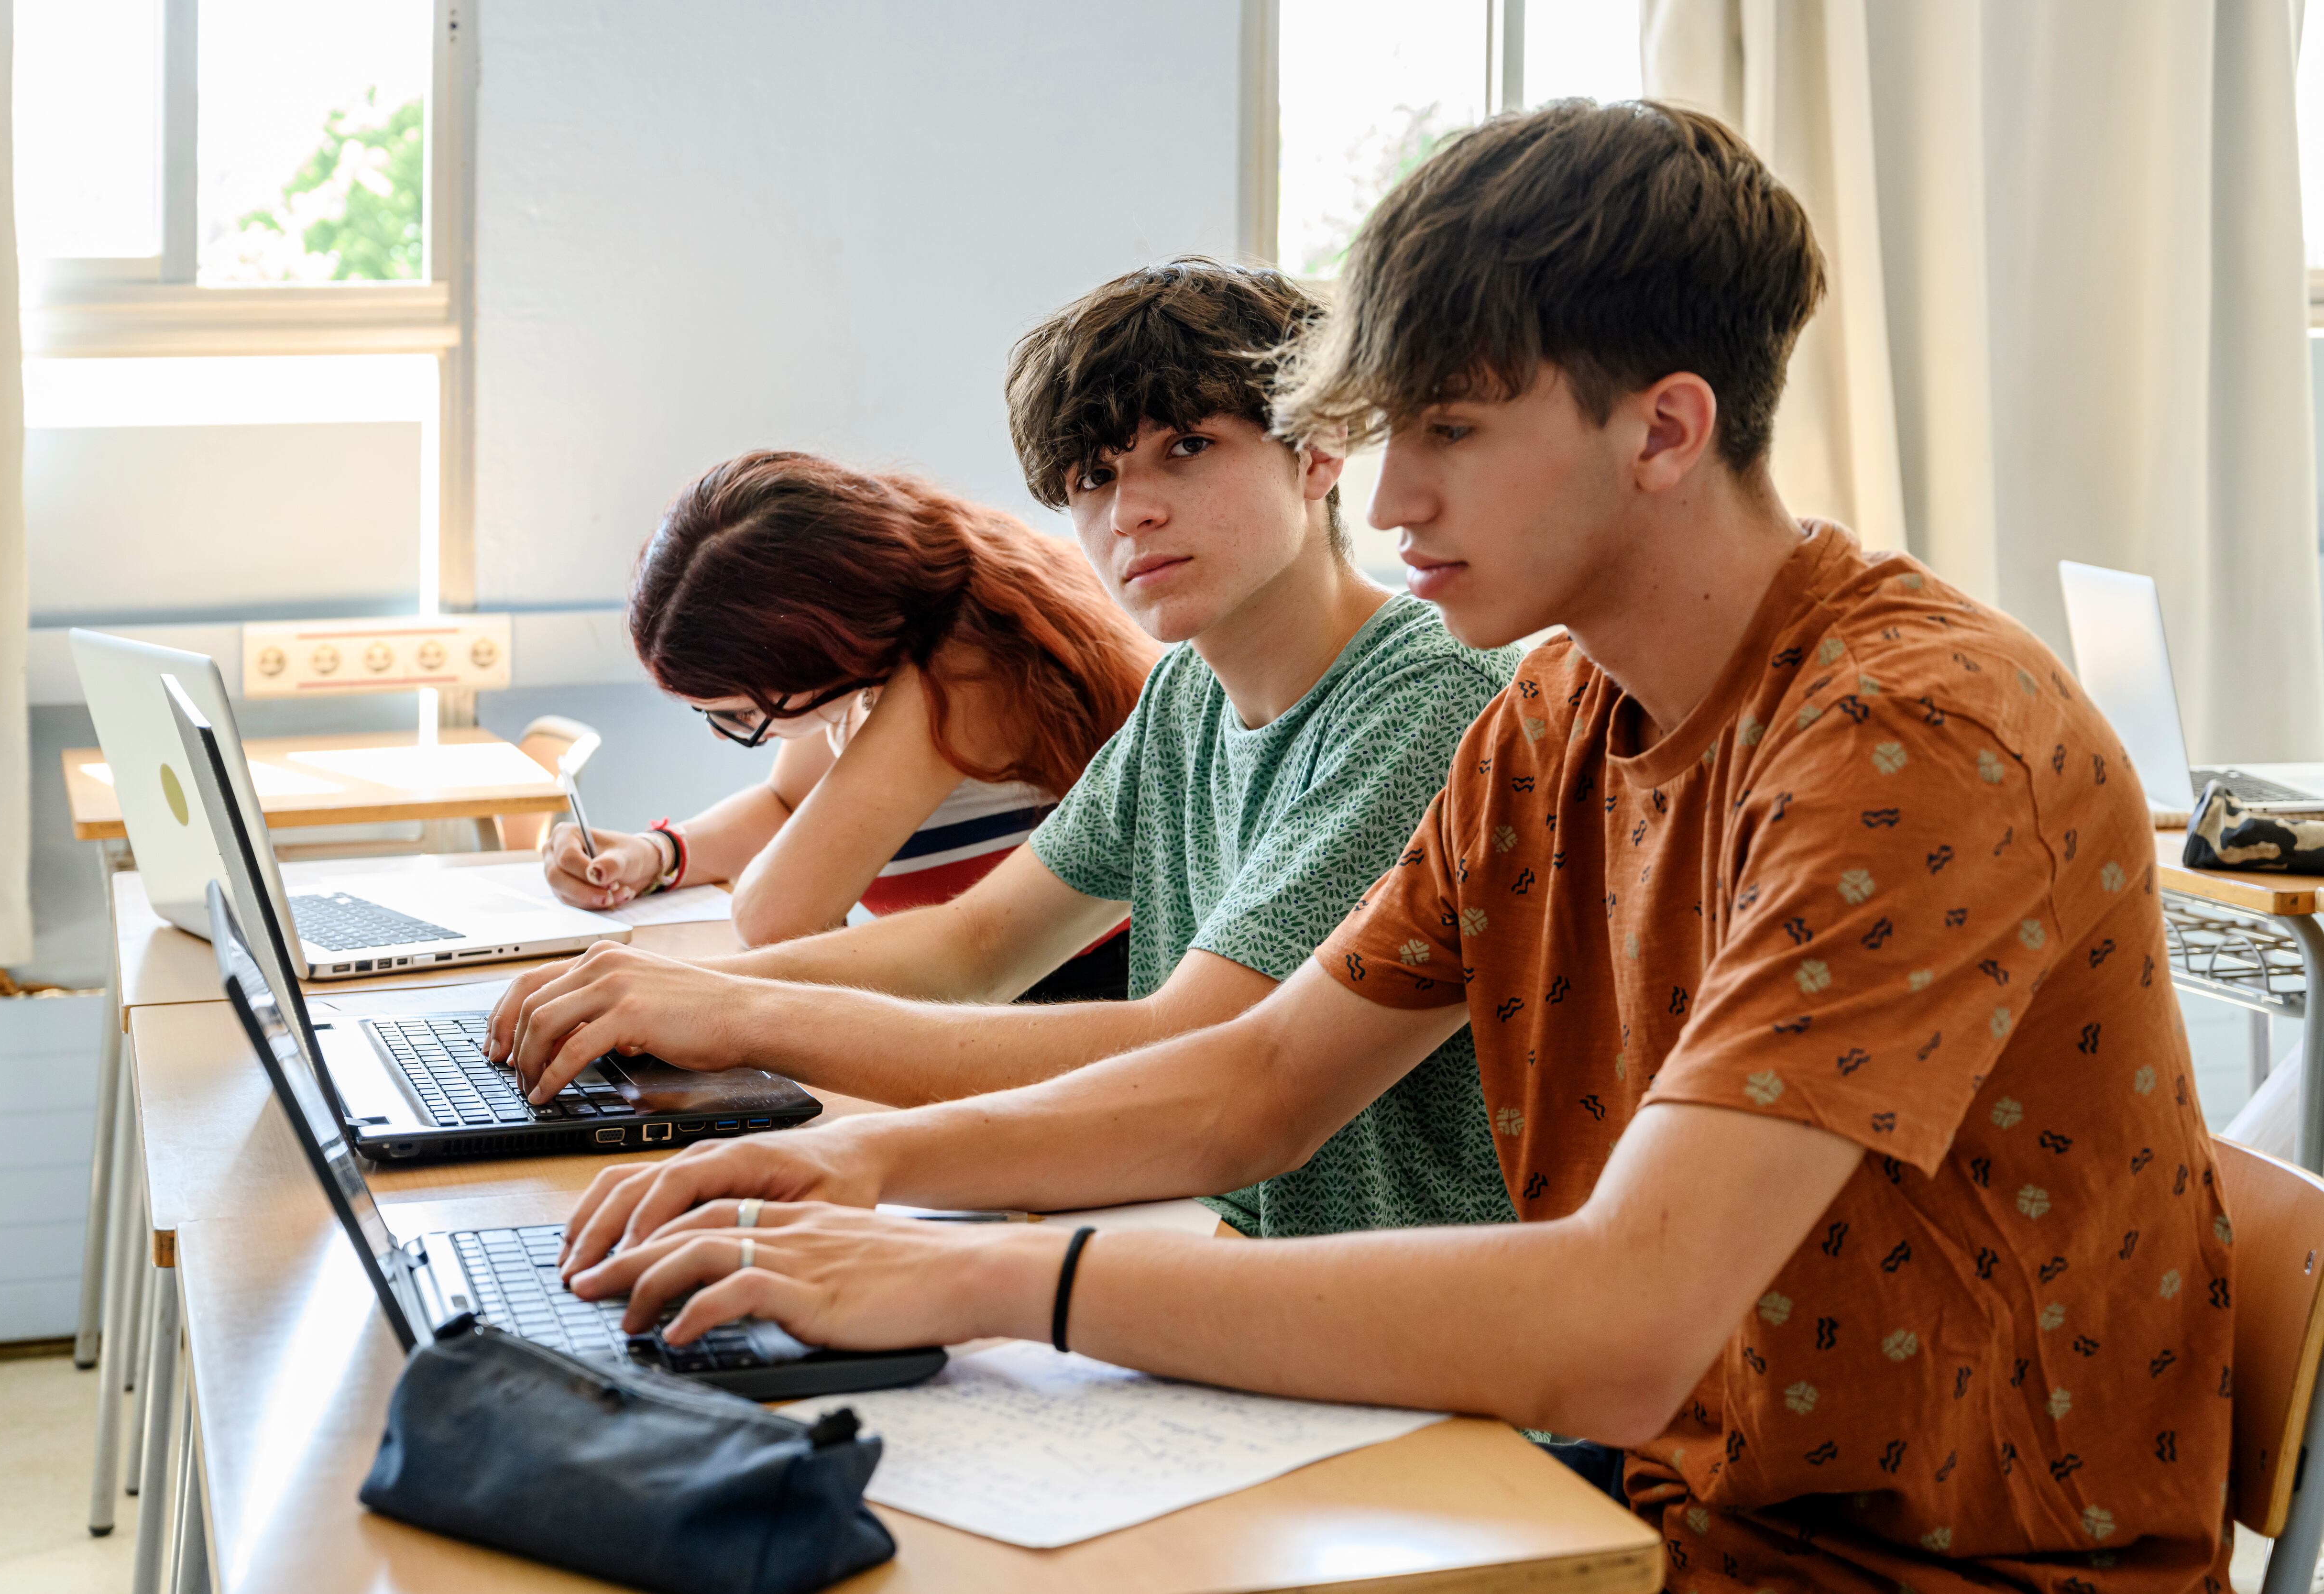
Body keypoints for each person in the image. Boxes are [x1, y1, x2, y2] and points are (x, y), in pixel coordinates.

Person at [542, 104, 2234, 1593]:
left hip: (1876, 1562)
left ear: (1660, 429)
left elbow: (1620, 1327)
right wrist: (853, 1175)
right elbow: (1253, 1082)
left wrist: (980, 1272)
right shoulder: (1555, 714)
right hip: (1623, 1489)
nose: (1397, 494)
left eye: (1454, 431)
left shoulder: (1908, 736)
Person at [489, 258, 1522, 1239]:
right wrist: (671, 993)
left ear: (1321, 449)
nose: (1132, 511)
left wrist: (744, 1012)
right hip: (1204, 1227)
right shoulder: (1188, 693)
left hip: (1380, 1299)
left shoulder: (1429, 700)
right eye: (1092, 475)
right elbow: (975, 945)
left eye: (1187, 448)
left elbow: (1192, 1045)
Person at [550, 451, 1158, 1002]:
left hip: (1070, 1005)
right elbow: (787, 804)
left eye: (741, 716)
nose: (723, 734)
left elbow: (774, 918)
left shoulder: (962, 672)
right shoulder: (883, 633)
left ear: (821, 654)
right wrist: (658, 854)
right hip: (986, 998)